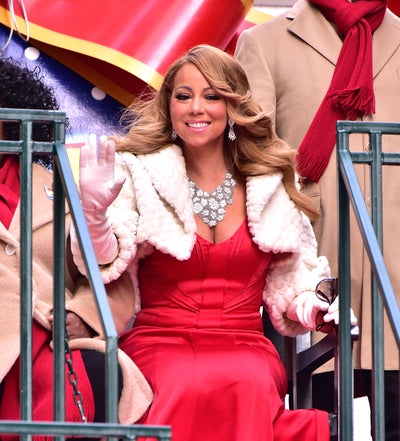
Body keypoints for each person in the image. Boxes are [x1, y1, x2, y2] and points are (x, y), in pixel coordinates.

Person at [71, 44, 358, 441]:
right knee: (183, 380)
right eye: (183, 96)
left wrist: (314, 308)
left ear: (233, 107)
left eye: (212, 96)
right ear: (169, 106)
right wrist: (94, 214)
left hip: (246, 346)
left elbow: (295, 281)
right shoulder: (138, 172)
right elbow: (106, 258)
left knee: (247, 380)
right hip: (159, 343)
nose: (196, 108)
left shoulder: (271, 182)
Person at [234, 1, 400, 439]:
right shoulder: (264, 43)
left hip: (395, 267)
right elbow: (250, 162)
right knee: (318, 418)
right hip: (313, 264)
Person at [0, 57, 152, 436]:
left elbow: (111, 281)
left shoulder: (60, 190)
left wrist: (82, 314)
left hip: (49, 345)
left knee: (99, 372)